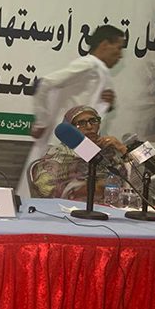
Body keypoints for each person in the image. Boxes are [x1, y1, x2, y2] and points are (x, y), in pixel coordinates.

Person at [18, 24, 126, 197]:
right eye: (118, 48)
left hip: (83, 145)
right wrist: (42, 122)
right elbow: (45, 83)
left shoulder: (101, 71)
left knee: (84, 192)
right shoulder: (88, 64)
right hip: (64, 144)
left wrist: (109, 104)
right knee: (47, 194)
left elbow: (92, 107)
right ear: (105, 44)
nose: (120, 55)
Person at [29, 106, 127, 201]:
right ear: (70, 129)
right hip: (69, 208)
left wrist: (122, 149)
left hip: (112, 207)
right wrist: (90, 188)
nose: (89, 127)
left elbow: (132, 181)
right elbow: (45, 191)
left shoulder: (107, 150)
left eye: (93, 121)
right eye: (81, 123)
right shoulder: (58, 154)